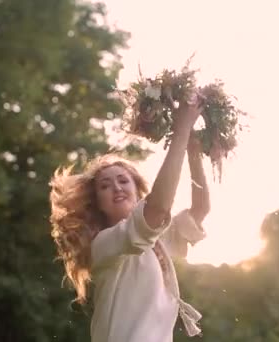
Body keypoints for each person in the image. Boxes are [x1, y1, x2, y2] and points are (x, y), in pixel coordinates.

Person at [49, 95, 211, 342]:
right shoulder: (105, 244)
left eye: (123, 180)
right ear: (97, 204)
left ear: (138, 192)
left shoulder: (157, 238)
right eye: (105, 185)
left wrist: (193, 152)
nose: (116, 187)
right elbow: (156, 211)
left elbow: (199, 209)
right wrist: (182, 130)